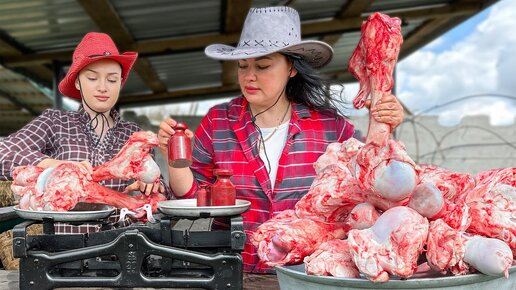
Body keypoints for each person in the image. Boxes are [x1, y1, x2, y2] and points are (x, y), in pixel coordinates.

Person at [157, 7, 404, 273]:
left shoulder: (329, 127)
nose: (249, 76)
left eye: (262, 65)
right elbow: (193, 199)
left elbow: (375, 183)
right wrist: (176, 162)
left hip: (308, 273)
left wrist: (386, 121)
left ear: (291, 69)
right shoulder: (219, 122)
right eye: (243, 66)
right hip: (234, 270)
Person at [0, 32, 169, 233]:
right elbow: (4, 153)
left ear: (120, 84)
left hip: (122, 244)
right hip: (62, 248)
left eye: (112, 80)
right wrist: (57, 166)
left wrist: (151, 185)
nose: (103, 87)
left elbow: (161, 196)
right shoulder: (56, 122)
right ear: (78, 83)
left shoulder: (133, 135)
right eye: (92, 78)